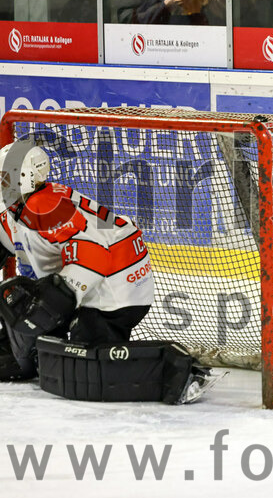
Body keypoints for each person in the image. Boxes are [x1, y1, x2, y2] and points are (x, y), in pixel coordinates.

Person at [0, 141, 216, 404]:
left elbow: (94, 252)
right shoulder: (17, 209)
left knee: (87, 359)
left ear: (28, 177)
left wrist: (61, 296)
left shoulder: (45, 206)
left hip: (117, 282)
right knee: (25, 310)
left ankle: (177, 368)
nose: (2, 182)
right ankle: (20, 354)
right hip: (100, 274)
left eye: (6, 176)